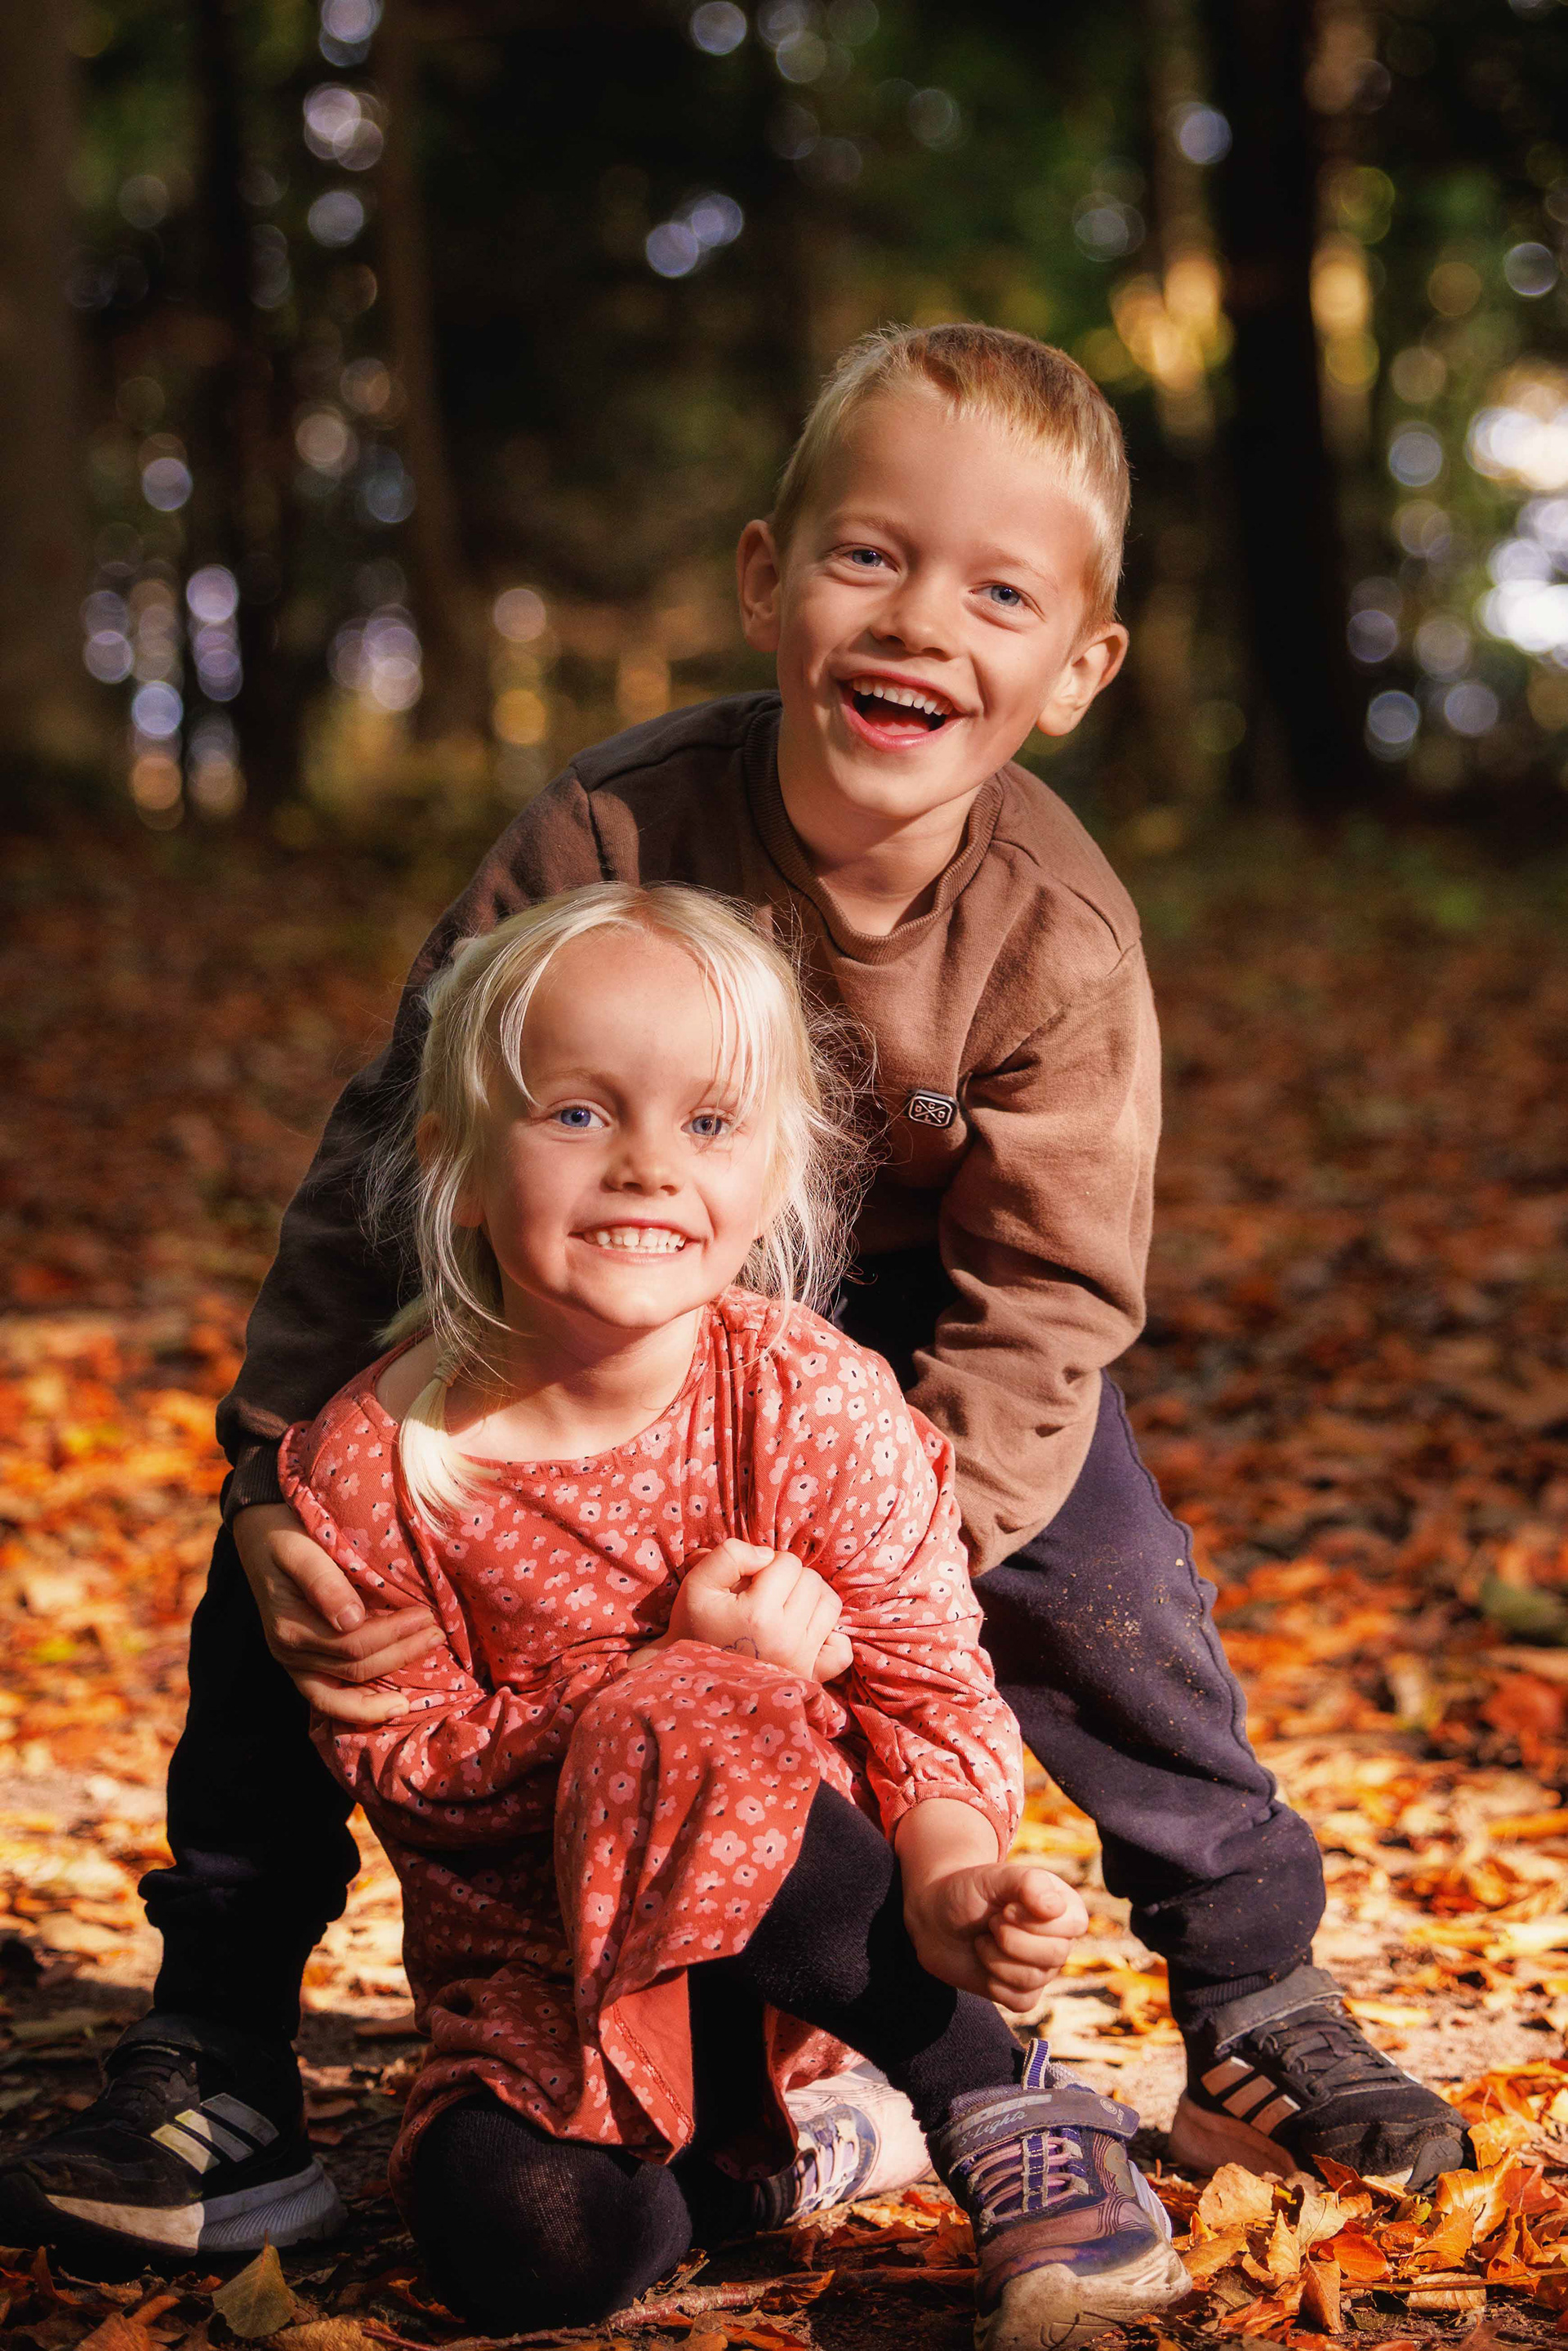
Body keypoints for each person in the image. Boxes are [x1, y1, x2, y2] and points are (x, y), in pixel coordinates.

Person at [0, 323, 1468, 2270]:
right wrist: (274, 1465)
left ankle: (1252, 1996)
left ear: (1077, 669)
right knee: (313, 1567)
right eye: (872, 556)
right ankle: (219, 2042)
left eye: (1000, 590)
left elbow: (1049, 1295)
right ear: (771, 576)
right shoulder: (604, 834)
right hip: (594, 1277)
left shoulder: (1056, 931)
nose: (922, 618)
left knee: (1111, 1582)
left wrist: (881, 1557)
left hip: (925, 1336)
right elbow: (396, 1153)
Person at [288, 883, 1187, 2344]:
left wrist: (954, 1880)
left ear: (776, 1177)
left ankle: (989, 2092)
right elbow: (407, 1768)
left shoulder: (810, 1397)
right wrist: (664, 1669)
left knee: (690, 1709)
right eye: (579, 1114)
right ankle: (776, 2164)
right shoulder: (375, 1462)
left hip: (812, 1968)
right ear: (453, 1163)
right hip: (551, 1985)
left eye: (709, 1125)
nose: (647, 1165)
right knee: (513, 2242)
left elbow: (925, 1686)